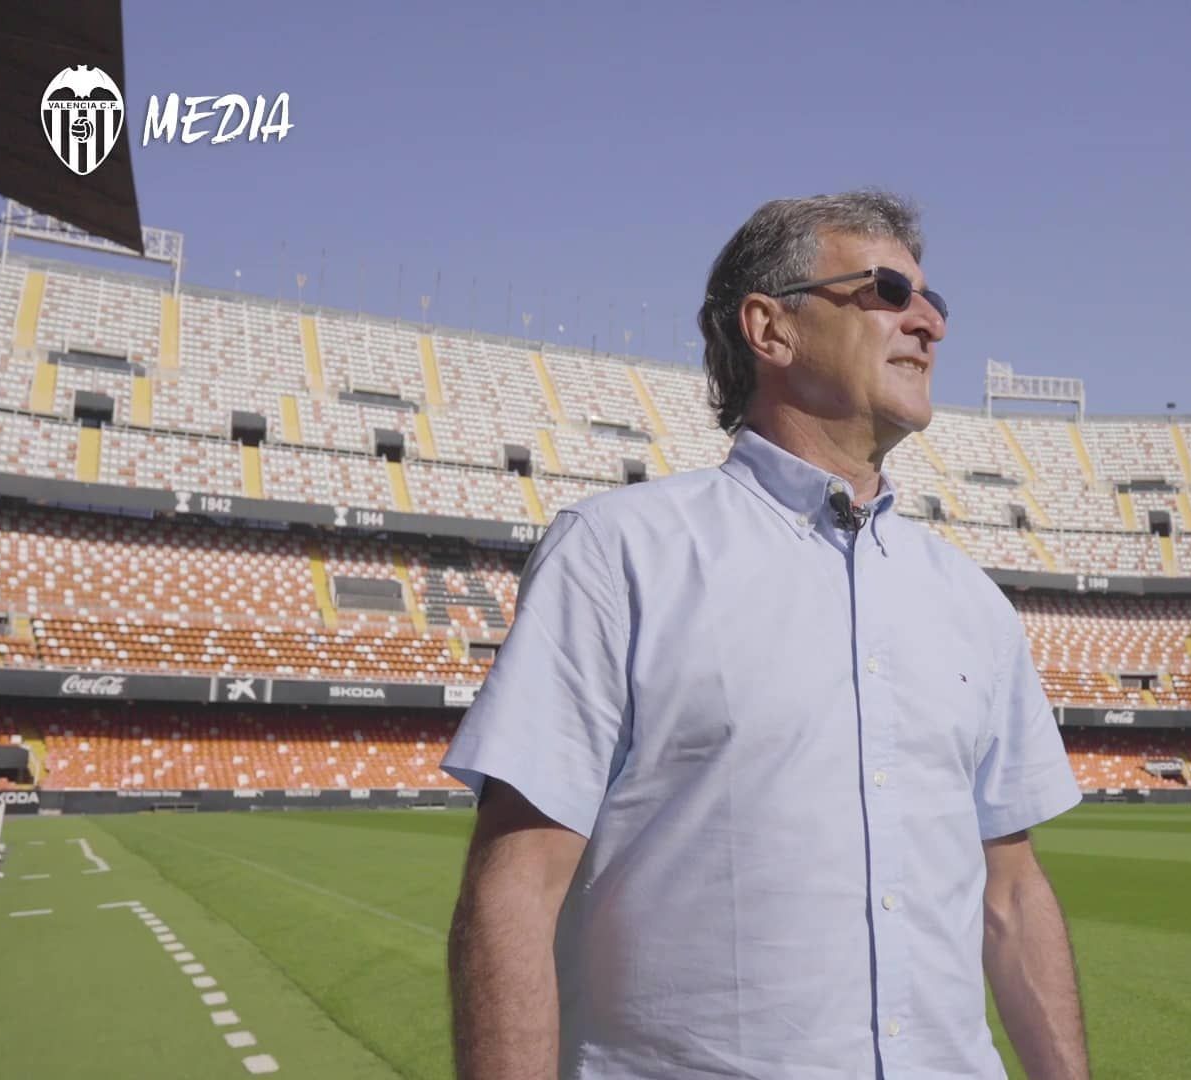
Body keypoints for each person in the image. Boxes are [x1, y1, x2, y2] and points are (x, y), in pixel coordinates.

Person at [442, 189, 1090, 1080]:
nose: (929, 324)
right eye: (890, 291)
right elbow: (516, 885)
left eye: (937, 302)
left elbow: (1012, 893)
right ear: (770, 329)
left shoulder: (971, 600)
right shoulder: (621, 552)